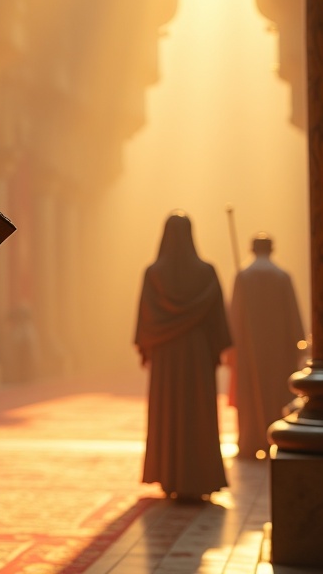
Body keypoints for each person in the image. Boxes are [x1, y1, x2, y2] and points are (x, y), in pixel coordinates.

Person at [134, 211, 230, 500]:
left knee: (169, 412)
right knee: (196, 412)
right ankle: (198, 477)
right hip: (197, 353)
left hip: (166, 356)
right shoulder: (207, 272)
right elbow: (218, 320)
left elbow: (146, 318)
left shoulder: (153, 274)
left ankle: (169, 476)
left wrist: (148, 346)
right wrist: (216, 348)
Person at [227, 233, 306, 458]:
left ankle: (249, 443)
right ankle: (273, 440)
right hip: (277, 351)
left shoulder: (243, 276)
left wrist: (232, 347)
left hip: (247, 350)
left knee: (249, 397)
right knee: (274, 395)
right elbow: (293, 315)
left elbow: (235, 315)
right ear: (272, 249)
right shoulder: (281, 276)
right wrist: (298, 345)